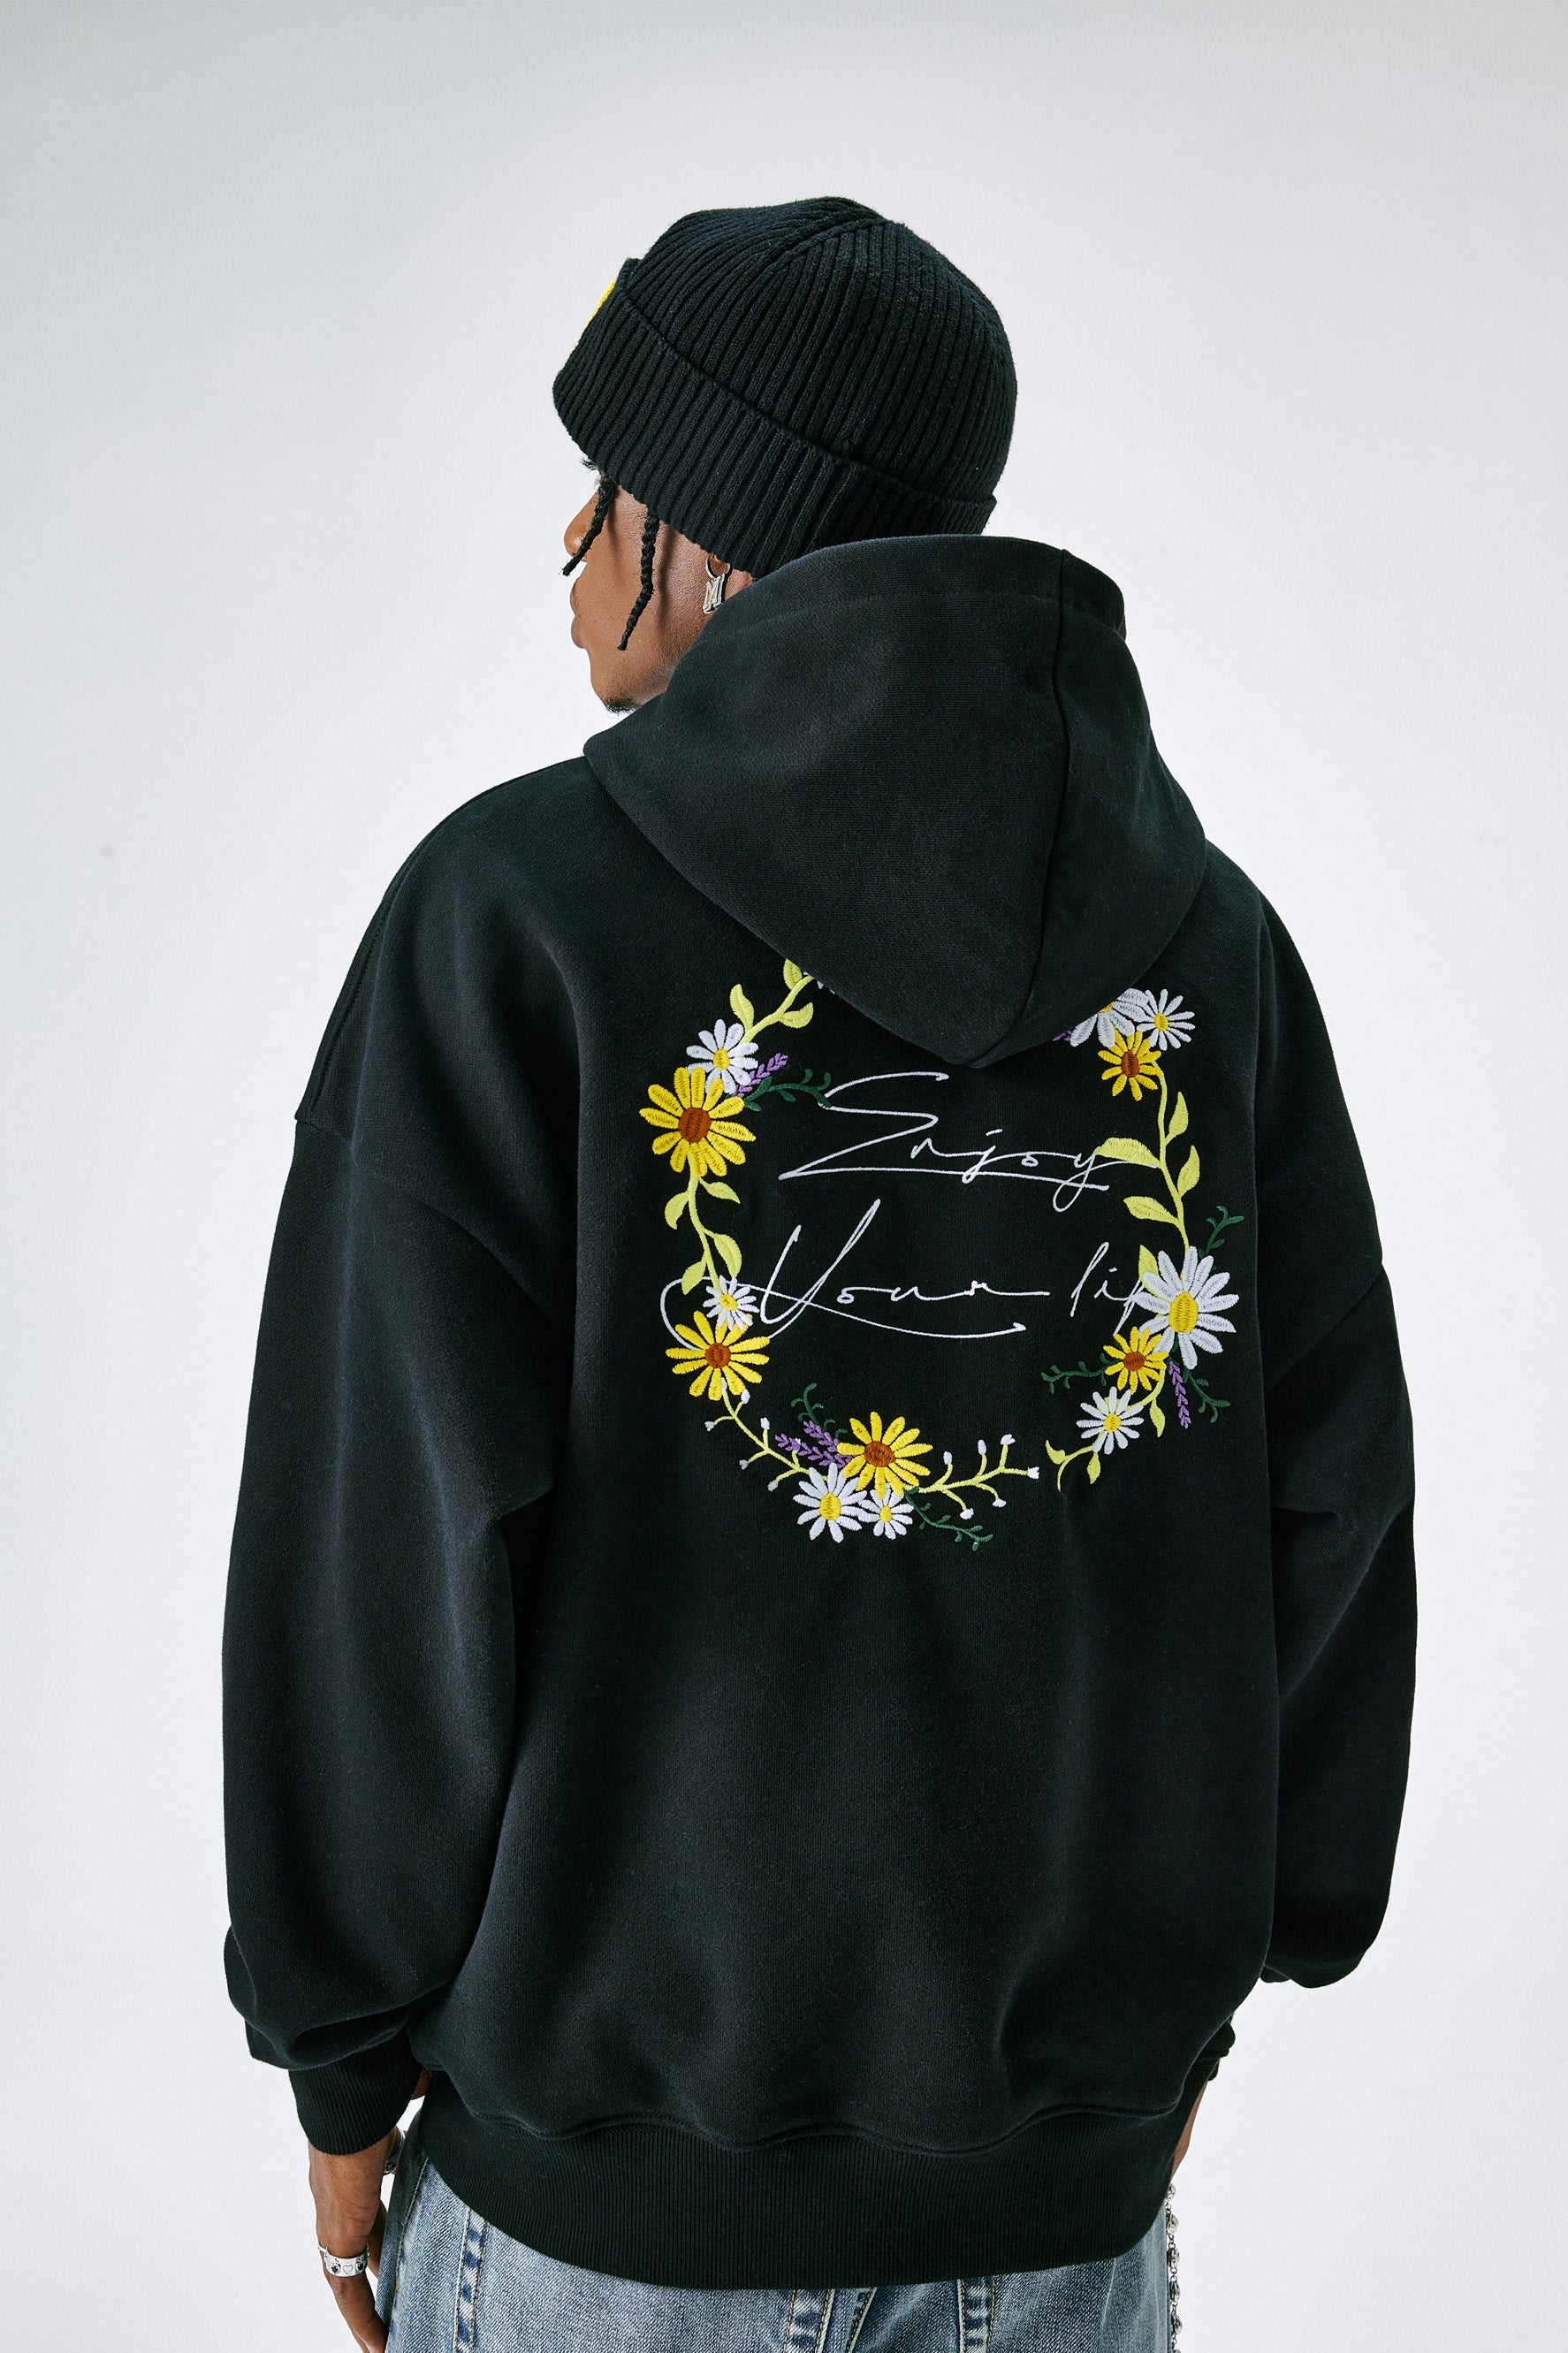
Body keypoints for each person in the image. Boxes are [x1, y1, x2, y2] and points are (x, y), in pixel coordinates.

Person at [222, 197, 1417, 2353]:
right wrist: (1198, 2003)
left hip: (604, 2216)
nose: (566, 547)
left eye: (602, 485)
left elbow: (379, 1550)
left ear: (704, 533)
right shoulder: (1205, 953)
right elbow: (1325, 1504)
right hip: (1062, 2204)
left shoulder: (514, 916)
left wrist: (336, 2052)